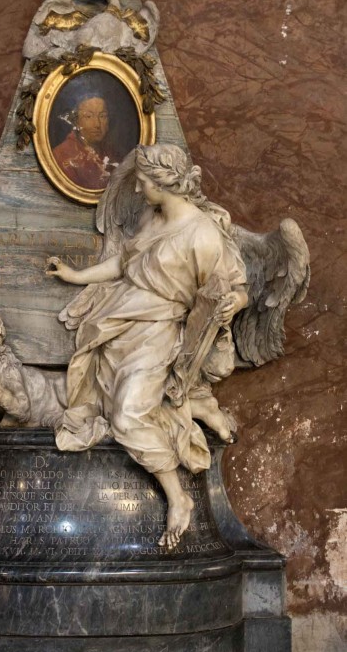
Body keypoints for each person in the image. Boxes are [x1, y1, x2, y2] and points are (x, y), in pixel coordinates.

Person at [46, 144, 248, 550]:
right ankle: (193, 406)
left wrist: (233, 303)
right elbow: (124, 264)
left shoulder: (203, 234)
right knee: (111, 404)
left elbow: (236, 287)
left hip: (158, 334)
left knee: (127, 416)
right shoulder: (150, 218)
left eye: (144, 181)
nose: (137, 188)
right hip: (120, 325)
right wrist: (76, 275)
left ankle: (179, 498)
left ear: (164, 183)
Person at [52, 95, 119, 189]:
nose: (97, 124)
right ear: (76, 121)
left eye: (102, 116)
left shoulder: (111, 153)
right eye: (88, 116)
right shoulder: (61, 155)